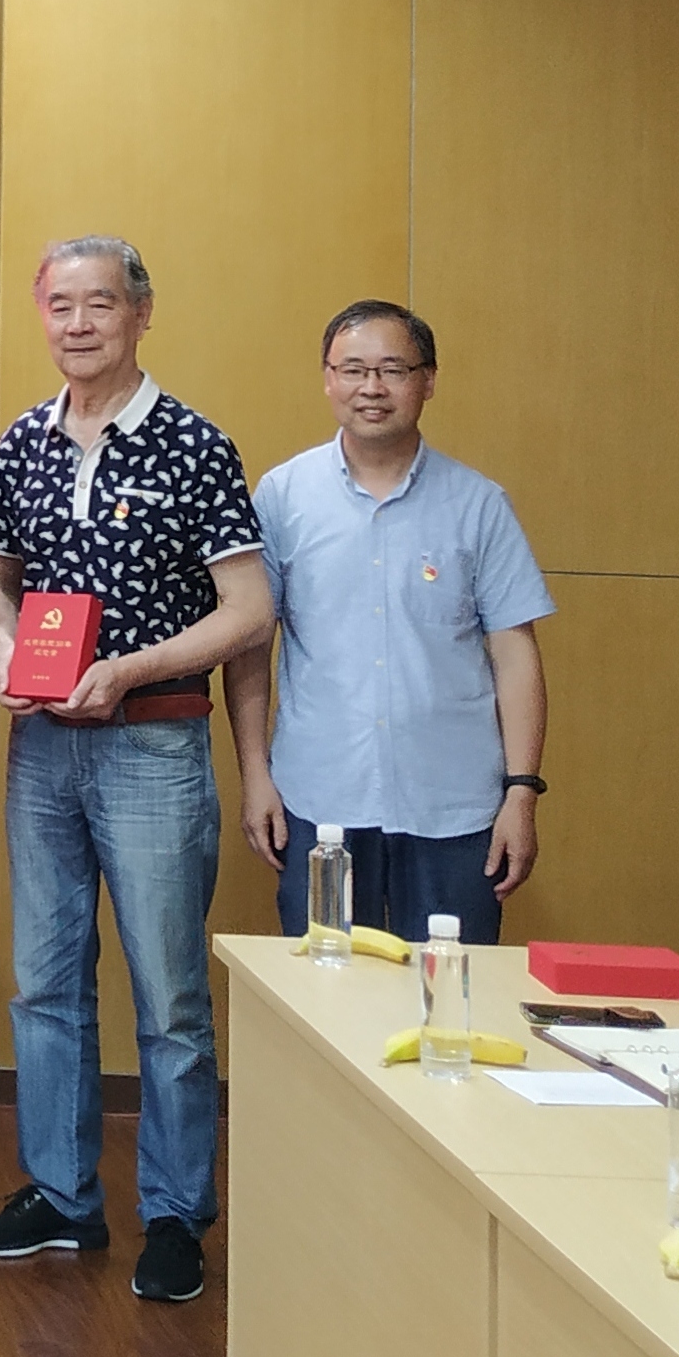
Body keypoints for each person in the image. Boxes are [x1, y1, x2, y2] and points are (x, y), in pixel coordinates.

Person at [0, 234, 273, 1304]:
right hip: (42, 748)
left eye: (100, 303)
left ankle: (176, 1212)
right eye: (60, 304)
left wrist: (128, 668)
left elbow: (249, 611)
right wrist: (4, 646)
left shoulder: (192, 442)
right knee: (44, 982)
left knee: (169, 995)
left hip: (152, 742)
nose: (78, 323)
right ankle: (61, 1195)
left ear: (141, 313)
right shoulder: (23, 441)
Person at [226, 300, 554, 945]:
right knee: (324, 991)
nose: (371, 388)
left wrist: (522, 792)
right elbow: (250, 645)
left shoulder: (478, 504)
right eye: (352, 369)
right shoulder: (283, 496)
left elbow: (515, 655)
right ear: (328, 380)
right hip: (318, 801)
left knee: (449, 991)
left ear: (427, 381)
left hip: (454, 807)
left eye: (393, 370)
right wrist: (255, 775)